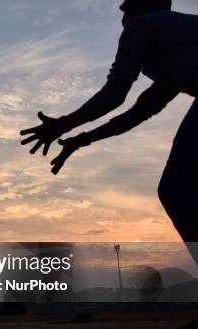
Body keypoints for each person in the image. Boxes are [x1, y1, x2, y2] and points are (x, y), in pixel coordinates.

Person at [21, 0, 198, 265]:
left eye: (125, 10)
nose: (123, 18)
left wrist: (63, 125)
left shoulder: (143, 26)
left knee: (176, 190)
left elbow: (114, 95)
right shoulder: (176, 49)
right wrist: (82, 139)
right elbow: (137, 113)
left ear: (134, 11)